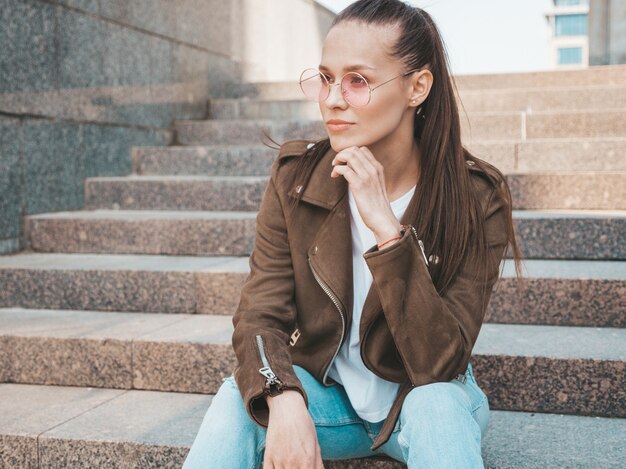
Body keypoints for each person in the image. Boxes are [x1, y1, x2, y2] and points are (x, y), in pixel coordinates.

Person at [182, 0, 524, 468]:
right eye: (325, 78)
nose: (333, 99)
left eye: (357, 80)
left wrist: (387, 229)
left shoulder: (476, 196)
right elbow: (260, 315)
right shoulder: (297, 179)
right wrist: (282, 397)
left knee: (437, 404)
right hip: (334, 406)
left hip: (420, 404)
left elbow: (439, 363)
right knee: (238, 401)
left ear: (417, 87)